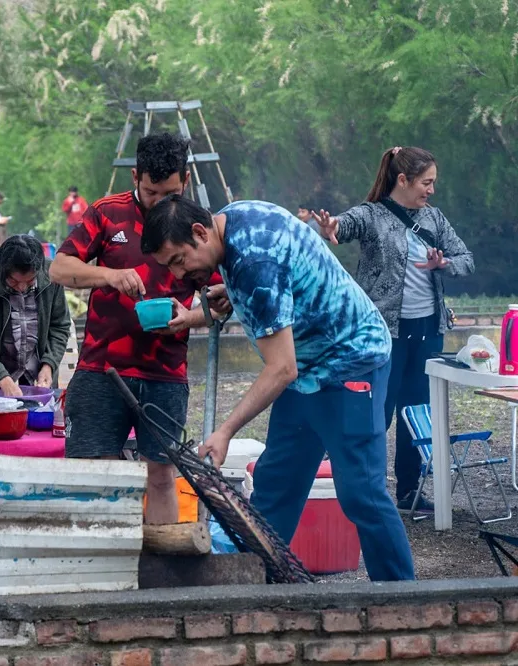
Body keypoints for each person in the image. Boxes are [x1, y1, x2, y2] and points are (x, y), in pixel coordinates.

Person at [141, 194, 414, 582]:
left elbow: (280, 367)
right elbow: (274, 288)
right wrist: (222, 302)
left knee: (361, 494)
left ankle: (401, 599)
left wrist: (224, 431)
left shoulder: (254, 263)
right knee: (276, 487)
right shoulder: (233, 218)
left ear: (200, 232)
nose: (178, 275)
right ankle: (260, 587)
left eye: (178, 261)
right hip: (305, 368)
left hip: (350, 362)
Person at [49, 132, 225, 526]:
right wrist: (108, 276)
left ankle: (158, 573)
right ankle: (101, 569)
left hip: (166, 373)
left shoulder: (198, 225)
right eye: (151, 193)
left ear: (186, 181)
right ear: (135, 178)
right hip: (101, 369)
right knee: (96, 472)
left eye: (171, 193)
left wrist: (191, 316)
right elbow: (58, 268)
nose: (161, 203)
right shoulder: (106, 213)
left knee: (161, 474)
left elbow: (220, 299)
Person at [311, 146, 475, 514]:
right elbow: (344, 224)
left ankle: (408, 492)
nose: (431, 190)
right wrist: (330, 228)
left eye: (433, 183)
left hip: (427, 330)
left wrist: (443, 263)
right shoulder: (371, 215)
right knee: (376, 414)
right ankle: (365, 490)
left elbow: (467, 261)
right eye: (426, 182)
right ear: (403, 180)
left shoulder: (435, 220)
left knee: (416, 413)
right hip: (383, 334)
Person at [0, 235, 70, 397]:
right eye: (14, 282)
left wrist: (48, 365)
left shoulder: (51, 274)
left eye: (30, 282)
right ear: (3, 271)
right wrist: (1, 377)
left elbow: (60, 326)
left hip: (38, 378)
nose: (22, 288)